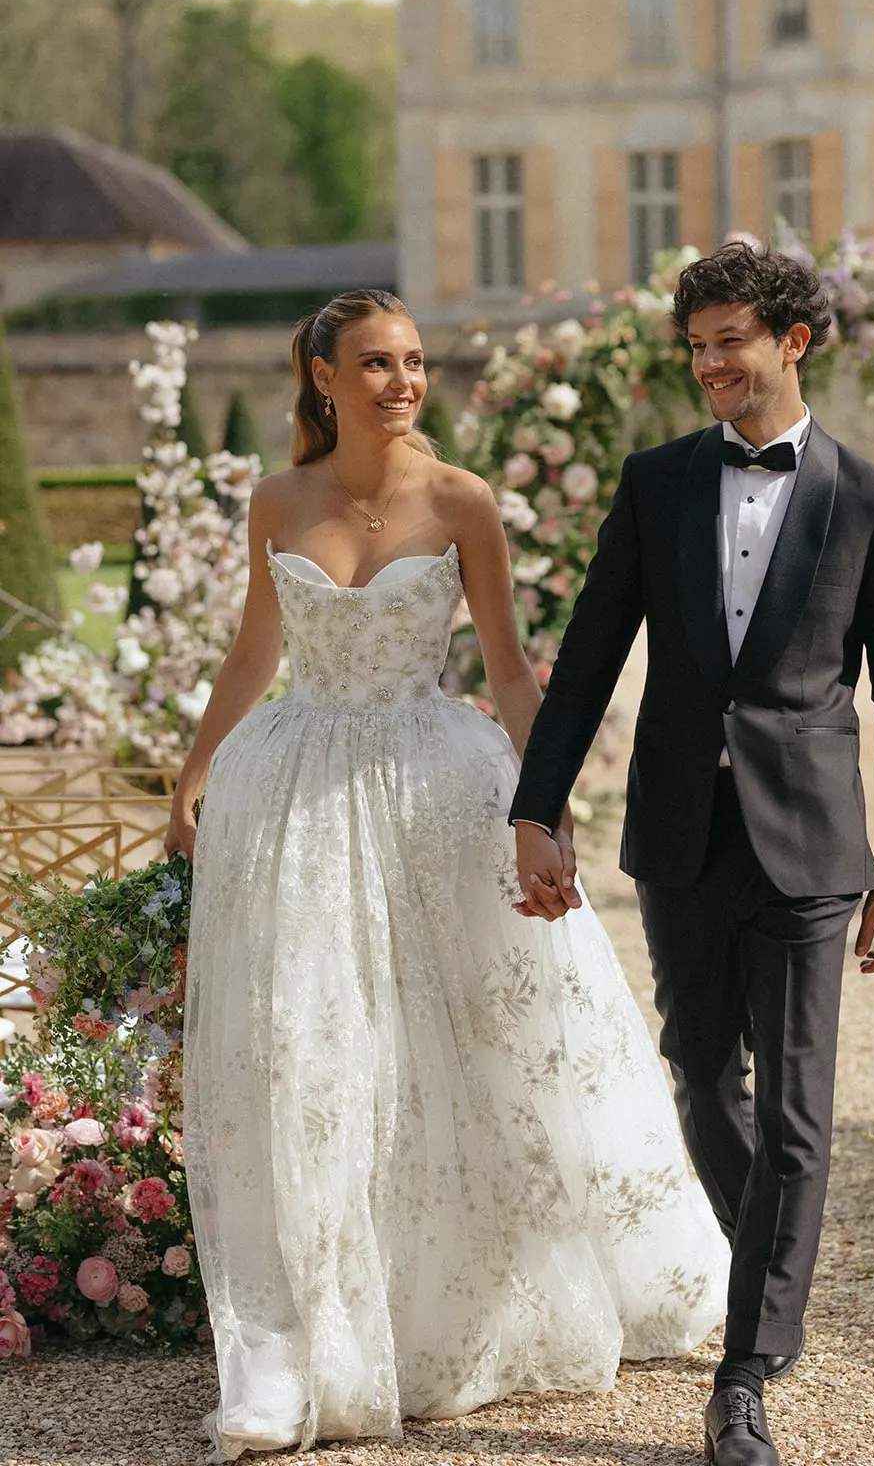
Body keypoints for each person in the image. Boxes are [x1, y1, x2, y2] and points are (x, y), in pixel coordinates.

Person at [167, 289, 730, 1462]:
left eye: (414, 362)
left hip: (437, 785)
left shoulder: (463, 499)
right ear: (322, 375)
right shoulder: (277, 499)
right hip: (302, 796)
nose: (401, 382)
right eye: (374, 363)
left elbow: (512, 670)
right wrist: (194, 764)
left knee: (479, 1040)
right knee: (319, 1049)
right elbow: (255, 647)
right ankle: (306, 1342)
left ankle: (469, 1305)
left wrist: (545, 803)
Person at [509, 243, 874, 1466]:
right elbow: (587, 657)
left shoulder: (870, 500)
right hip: (680, 839)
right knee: (698, 1075)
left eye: (728, 341)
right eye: (693, 346)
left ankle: (742, 1374)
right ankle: (777, 1265)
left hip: (810, 847)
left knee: (800, 1116)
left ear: (792, 340)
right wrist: (534, 809)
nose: (707, 366)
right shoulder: (653, 484)